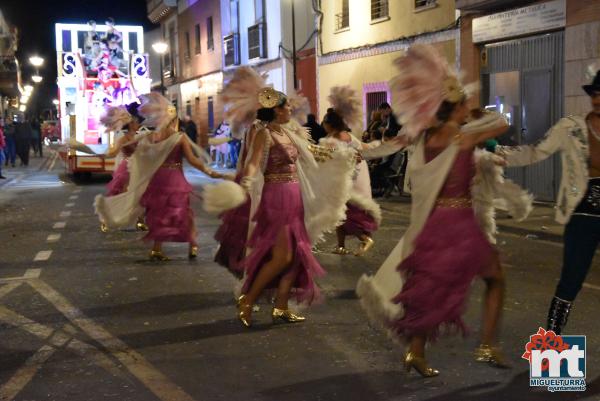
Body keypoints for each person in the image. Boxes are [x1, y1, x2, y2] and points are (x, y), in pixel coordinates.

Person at [356, 44, 530, 377]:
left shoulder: (423, 137)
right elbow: (503, 123)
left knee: (429, 291)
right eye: (464, 102)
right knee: (495, 279)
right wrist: (476, 113)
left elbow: (384, 147)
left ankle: (416, 352)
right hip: (460, 225)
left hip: (431, 226)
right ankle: (488, 344)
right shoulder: (462, 138)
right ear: (455, 106)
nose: (468, 107)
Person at [205, 87, 355, 328]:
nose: (290, 110)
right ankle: (247, 299)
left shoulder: (288, 133)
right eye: (285, 107)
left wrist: (342, 157)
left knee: (296, 253)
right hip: (276, 198)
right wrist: (246, 180)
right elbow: (253, 163)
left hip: (295, 195)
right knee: (282, 255)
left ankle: (281, 306)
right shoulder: (264, 134)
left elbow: (311, 153)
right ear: (274, 110)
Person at [496, 69, 600, 335]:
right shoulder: (571, 127)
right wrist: (498, 153)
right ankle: (552, 347)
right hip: (582, 212)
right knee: (571, 280)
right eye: (595, 95)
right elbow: (536, 151)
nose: (597, 101)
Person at [95, 93, 232, 260]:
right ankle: (192, 245)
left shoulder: (150, 137)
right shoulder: (179, 137)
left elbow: (130, 152)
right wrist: (211, 172)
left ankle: (157, 249)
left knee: (158, 213)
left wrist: (103, 154)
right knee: (184, 212)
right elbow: (193, 160)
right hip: (175, 179)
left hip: (158, 180)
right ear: (174, 120)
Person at [321, 87, 382, 256]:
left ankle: (364, 238)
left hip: (343, 182)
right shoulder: (350, 137)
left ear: (328, 125)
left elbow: (324, 161)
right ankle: (341, 246)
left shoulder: (330, 140)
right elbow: (364, 150)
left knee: (343, 214)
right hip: (358, 181)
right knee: (345, 213)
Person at [99, 103, 147, 232]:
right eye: (136, 122)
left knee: (140, 194)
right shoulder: (123, 139)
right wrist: (104, 155)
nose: (139, 124)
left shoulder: (140, 136)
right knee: (119, 194)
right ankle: (105, 219)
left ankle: (140, 220)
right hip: (126, 168)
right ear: (131, 124)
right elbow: (114, 152)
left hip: (138, 167)